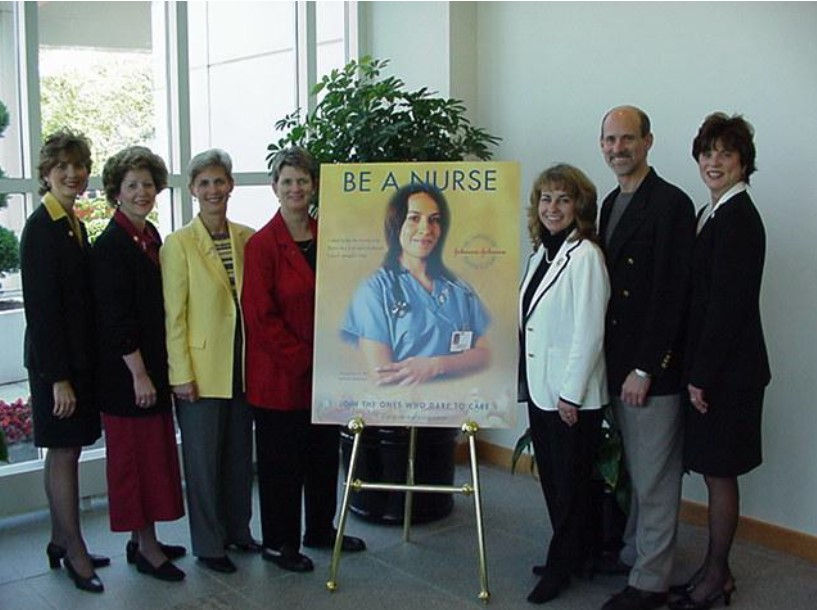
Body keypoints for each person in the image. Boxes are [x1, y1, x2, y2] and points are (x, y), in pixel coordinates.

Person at [242, 146, 366, 573]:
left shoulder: (329, 236)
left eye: (303, 180)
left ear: (314, 186)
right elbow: (260, 316)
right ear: (274, 187)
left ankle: (319, 529)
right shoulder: (261, 245)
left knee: (321, 456)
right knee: (281, 465)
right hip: (281, 377)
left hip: (326, 374)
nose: (296, 188)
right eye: (287, 181)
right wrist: (308, 359)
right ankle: (278, 543)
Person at [668, 114, 770, 610]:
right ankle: (715, 571)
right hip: (715, 370)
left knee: (720, 474)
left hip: (728, 375)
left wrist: (701, 377)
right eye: (707, 153)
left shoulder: (739, 219)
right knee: (713, 473)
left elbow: (727, 309)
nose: (713, 162)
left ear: (743, 163)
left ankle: (716, 577)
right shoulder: (713, 214)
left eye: (725, 154)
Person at [597, 106, 696, 610]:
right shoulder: (611, 201)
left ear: (649, 141)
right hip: (619, 362)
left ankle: (651, 582)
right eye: (610, 140)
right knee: (638, 471)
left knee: (656, 475)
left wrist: (645, 367)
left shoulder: (672, 204)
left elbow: (672, 293)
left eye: (628, 139)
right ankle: (637, 552)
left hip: (650, 368)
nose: (619, 148)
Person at [160, 149, 259, 574]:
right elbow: (174, 315)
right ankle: (208, 543)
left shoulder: (248, 238)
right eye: (204, 184)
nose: (213, 190)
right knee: (202, 463)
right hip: (199, 371)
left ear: (231, 185)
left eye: (220, 181)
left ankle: (238, 530)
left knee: (239, 457)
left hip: (242, 365)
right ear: (193, 191)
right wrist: (179, 374)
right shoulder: (178, 243)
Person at [20, 131, 109, 593]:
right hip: (56, 368)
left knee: (69, 450)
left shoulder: (71, 222)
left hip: (75, 362)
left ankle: (61, 538)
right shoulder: (40, 228)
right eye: (63, 168)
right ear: (46, 173)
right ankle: (74, 551)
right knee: (64, 453)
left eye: (79, 166)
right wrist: (58, 379)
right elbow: (43, 310)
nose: (73, 174)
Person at [92, 146, 186, 582]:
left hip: (151, 370)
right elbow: (115, 319)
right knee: (136, 464)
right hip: (127, 376)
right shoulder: (111, 246)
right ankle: (147, 548)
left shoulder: (150, 237)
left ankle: (141, 540)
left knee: (153, 458)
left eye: (148, 184)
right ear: (116, 192)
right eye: (132, 185)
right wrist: (140, 373)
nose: (142, 192)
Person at [519, 164, 610, 604]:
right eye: (545, 199)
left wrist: (571, 393)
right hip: (541, 387)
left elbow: (589, 331)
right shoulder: (542, 252)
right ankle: (573, 553)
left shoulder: (586, 255)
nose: (552, 207)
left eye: (563, 199)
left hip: (569, 395)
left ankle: (561, 566)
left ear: (579, 206)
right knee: (555, 481)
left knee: (570, 485)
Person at [342, 182, 491, 385]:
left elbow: (485, 355)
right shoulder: (375, 290)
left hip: (459, 409)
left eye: (434, 220)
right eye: (414, 218)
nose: (426, 229)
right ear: (396, 225)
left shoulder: (460, 289)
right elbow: (383, 376)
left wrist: (435, 365)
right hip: (401, 411)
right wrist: (458, 363)